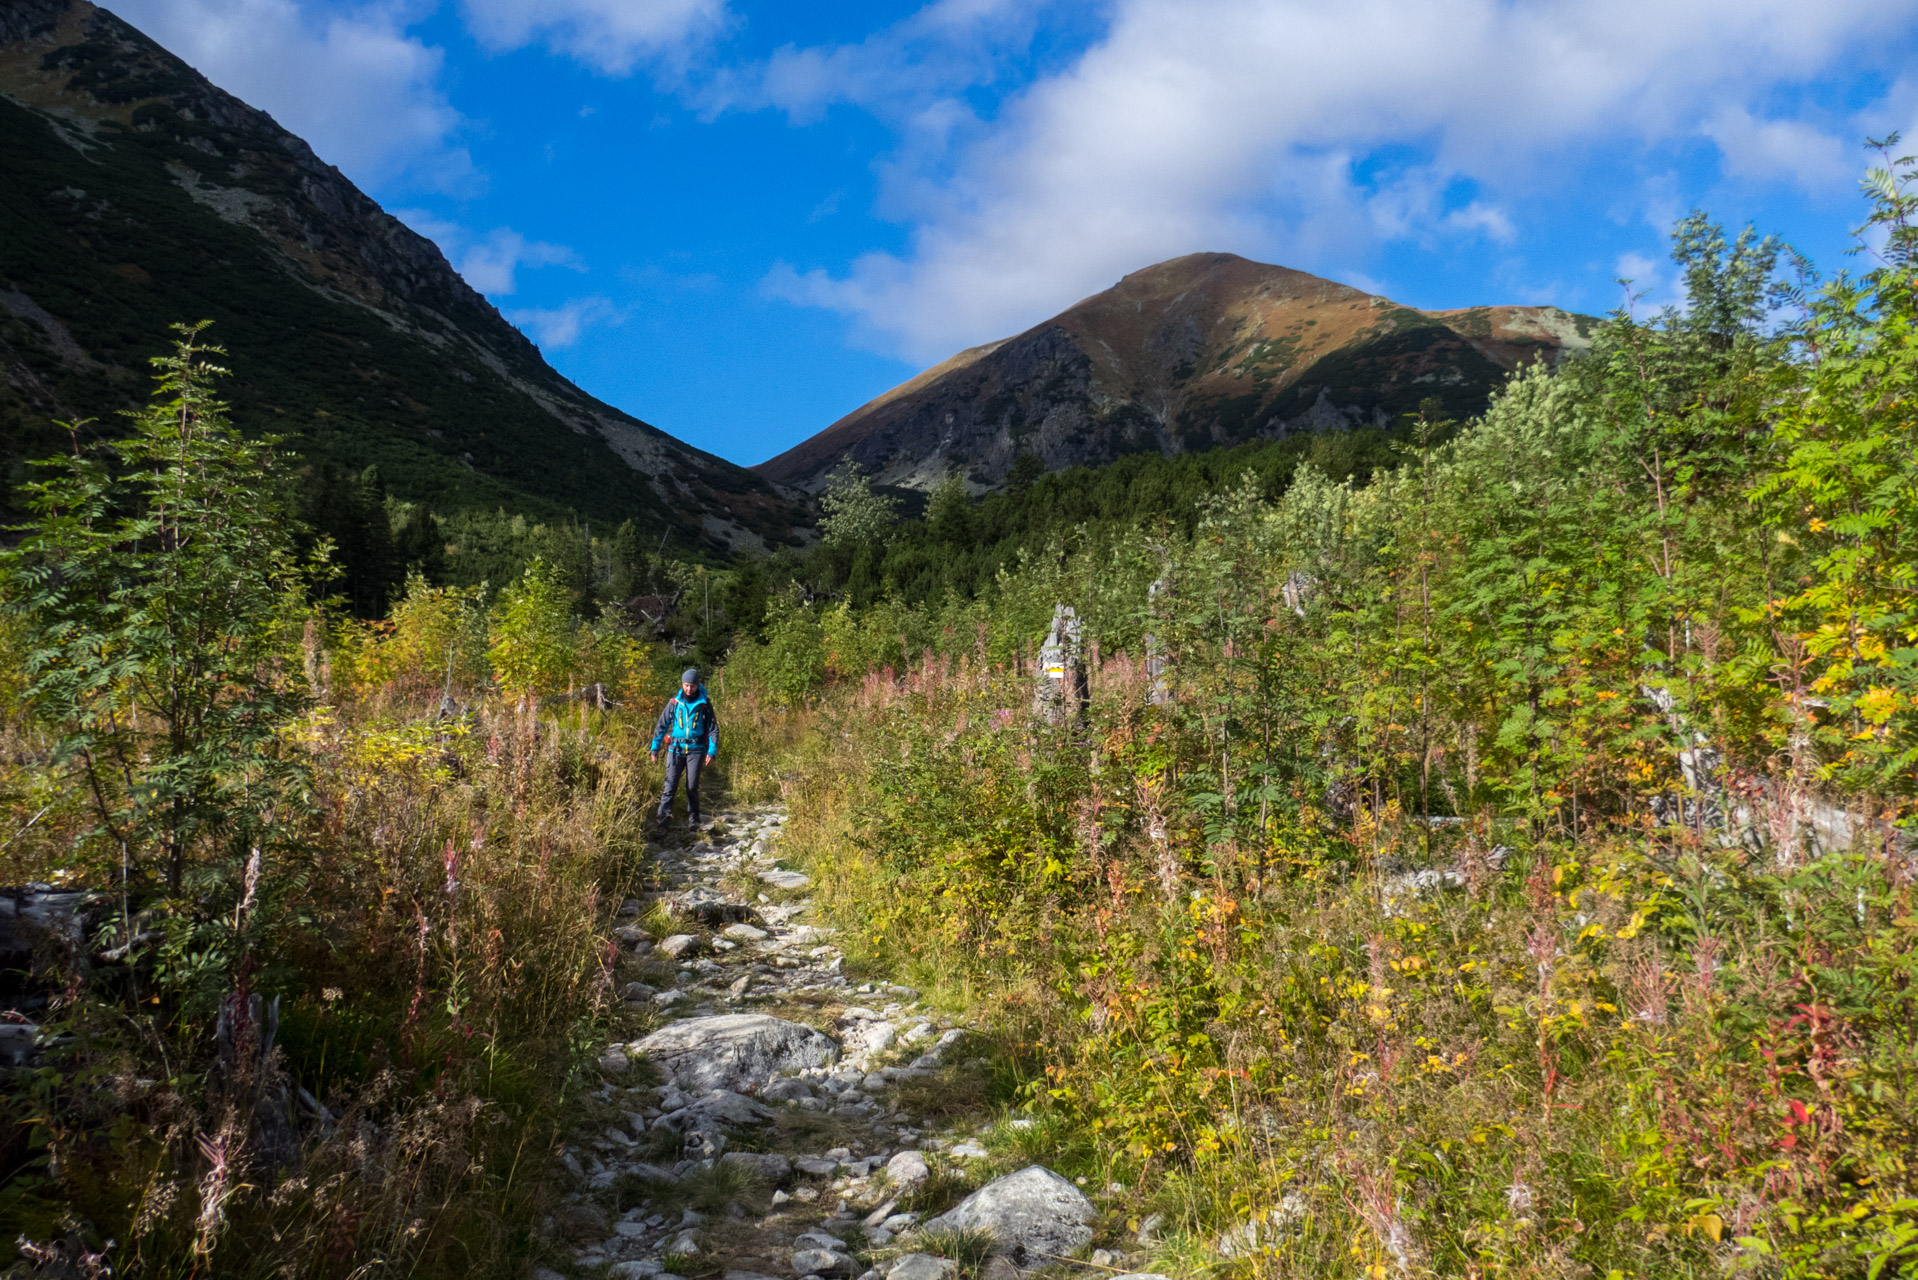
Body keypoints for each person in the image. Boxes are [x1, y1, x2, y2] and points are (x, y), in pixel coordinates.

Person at [651, 667, 718, 830]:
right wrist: (655, 748)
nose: (689, 689)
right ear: (682, 684)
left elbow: (713, 728)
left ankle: (694, 820)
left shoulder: (704, 704)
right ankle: (663, 821)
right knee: (670, 785)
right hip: (675, 749)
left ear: (697, 685)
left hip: (696, 749)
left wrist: (712, 751)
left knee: (692, 786)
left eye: (693, 686)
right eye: (686, 685)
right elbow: (661, 725)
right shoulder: (674, 703)